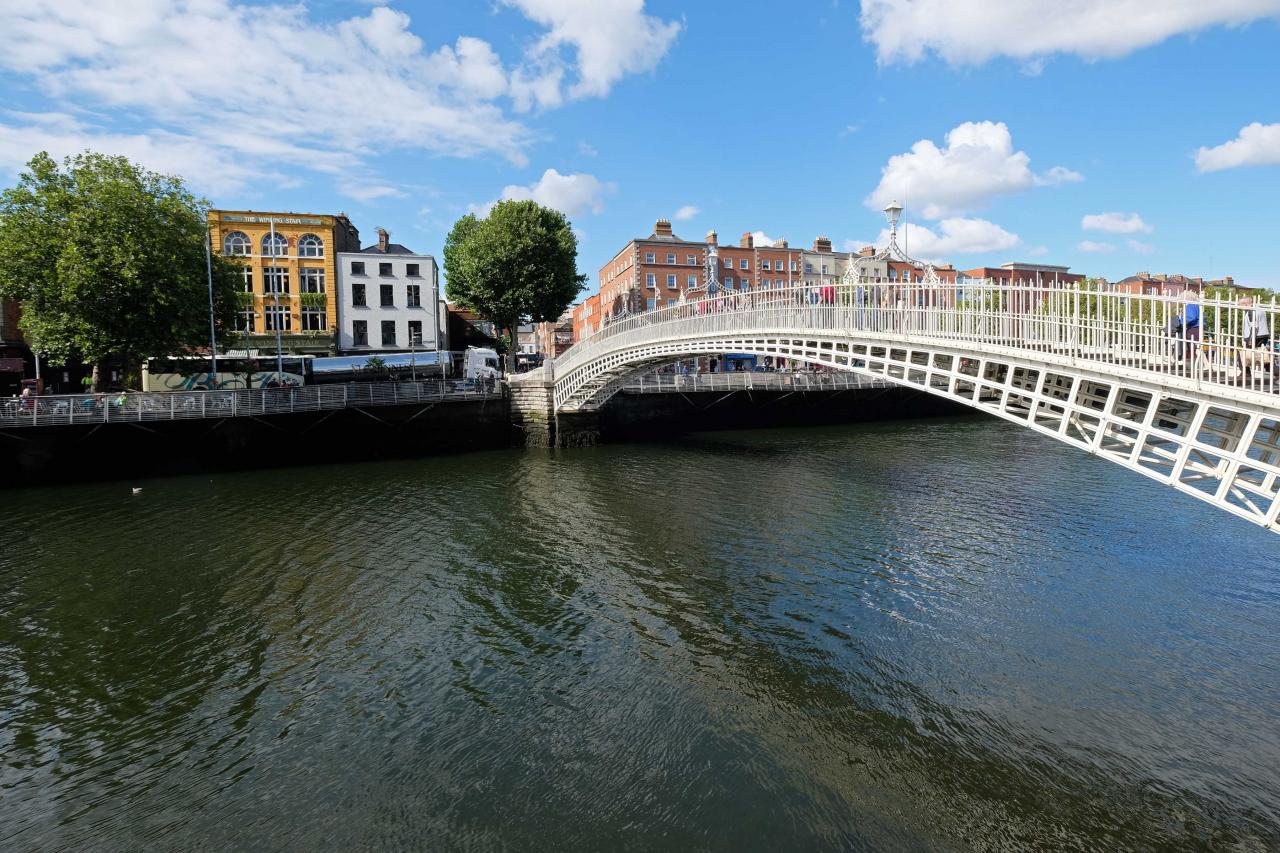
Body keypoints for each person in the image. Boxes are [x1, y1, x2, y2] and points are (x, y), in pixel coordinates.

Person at [1238, 296, 1274, 385]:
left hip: (1255, 336)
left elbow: (1253, 327)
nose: (1239, 307)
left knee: (1242, 355)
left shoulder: (1251, 312)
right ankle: (1273, 371)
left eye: (1240, 305)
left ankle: (1246, 373)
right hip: (1263, 334)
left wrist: (1250, 339)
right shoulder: (1260, 309)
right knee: (1261, 354)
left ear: (1246, 304)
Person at [1180, 291, 1201, 362]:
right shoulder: (1196, 305)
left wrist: (1181, 320)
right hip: (1197, 328)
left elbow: (1191, 317)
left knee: (1193, 347)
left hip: (1193, 328)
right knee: (1196, 347)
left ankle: (1204, 364)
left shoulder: (1190, 305)